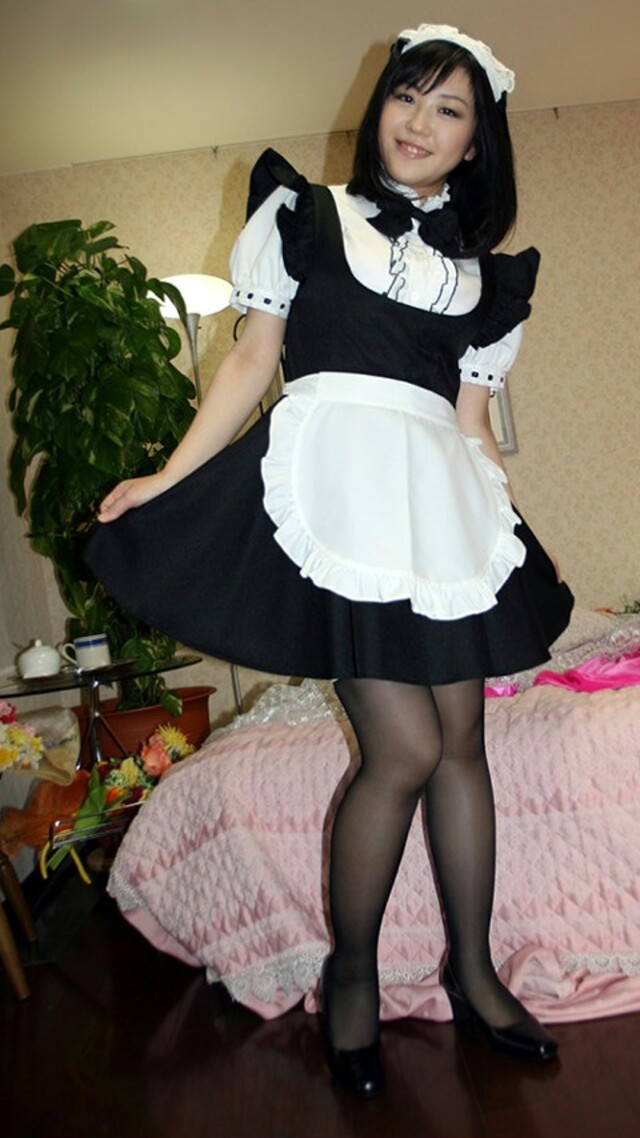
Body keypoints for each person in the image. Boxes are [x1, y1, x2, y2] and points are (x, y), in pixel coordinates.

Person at [87, 22, 574, 1098]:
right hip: (340, 489)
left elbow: (472, 424)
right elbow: (250, 360)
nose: (419, 121)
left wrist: (506, 527)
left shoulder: (485, 280)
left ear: (476, 143)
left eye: (449, 109)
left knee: (463, 744)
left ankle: (475, 974)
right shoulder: (303, 215)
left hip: (439, 502)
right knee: (405, 746)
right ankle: (351, 970)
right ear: (379, 105)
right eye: (408, 95)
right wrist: (166, 477)